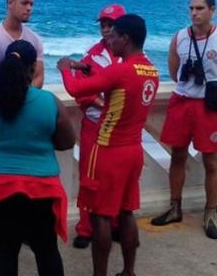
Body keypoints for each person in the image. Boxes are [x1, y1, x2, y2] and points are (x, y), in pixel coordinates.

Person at [0, 40, 75, 276]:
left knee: (4, 252)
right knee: (47, 250)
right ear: (32, 69)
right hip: (41, 188)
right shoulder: (50, 102)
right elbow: (67, 142)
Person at [57, 14, 159, 276]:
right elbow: (115, 85)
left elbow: (76, 91)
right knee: (126, 212)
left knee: (99, 214)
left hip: (107, 149)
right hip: (134, 149)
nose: (109, 40)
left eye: (113, 36)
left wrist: (66, 68)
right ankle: (128, 271)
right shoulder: (150, 70)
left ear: (125, 39)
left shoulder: (120, 70)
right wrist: (87, 68)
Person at [150, 0, 217, 240]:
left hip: (209, 107)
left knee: (211, 161)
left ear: (212, 10)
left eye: (200, 8)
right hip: (182, 103)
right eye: (191, 8)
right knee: (177, 156)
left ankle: (210, 213)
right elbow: (173, 71)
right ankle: (175, 207)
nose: (194, 13)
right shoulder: (179, 37)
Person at [58, 3, 126, 249]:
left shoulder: (131, 54)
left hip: (121, 128)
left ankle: (116, 224)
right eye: (103, 25)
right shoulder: (90, 56)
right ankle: (85, 228)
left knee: (116, 178)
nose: (106, 30)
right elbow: (82, 94)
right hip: (95, 125)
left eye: (111, 25)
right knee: (89, 178)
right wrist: (103, 102)